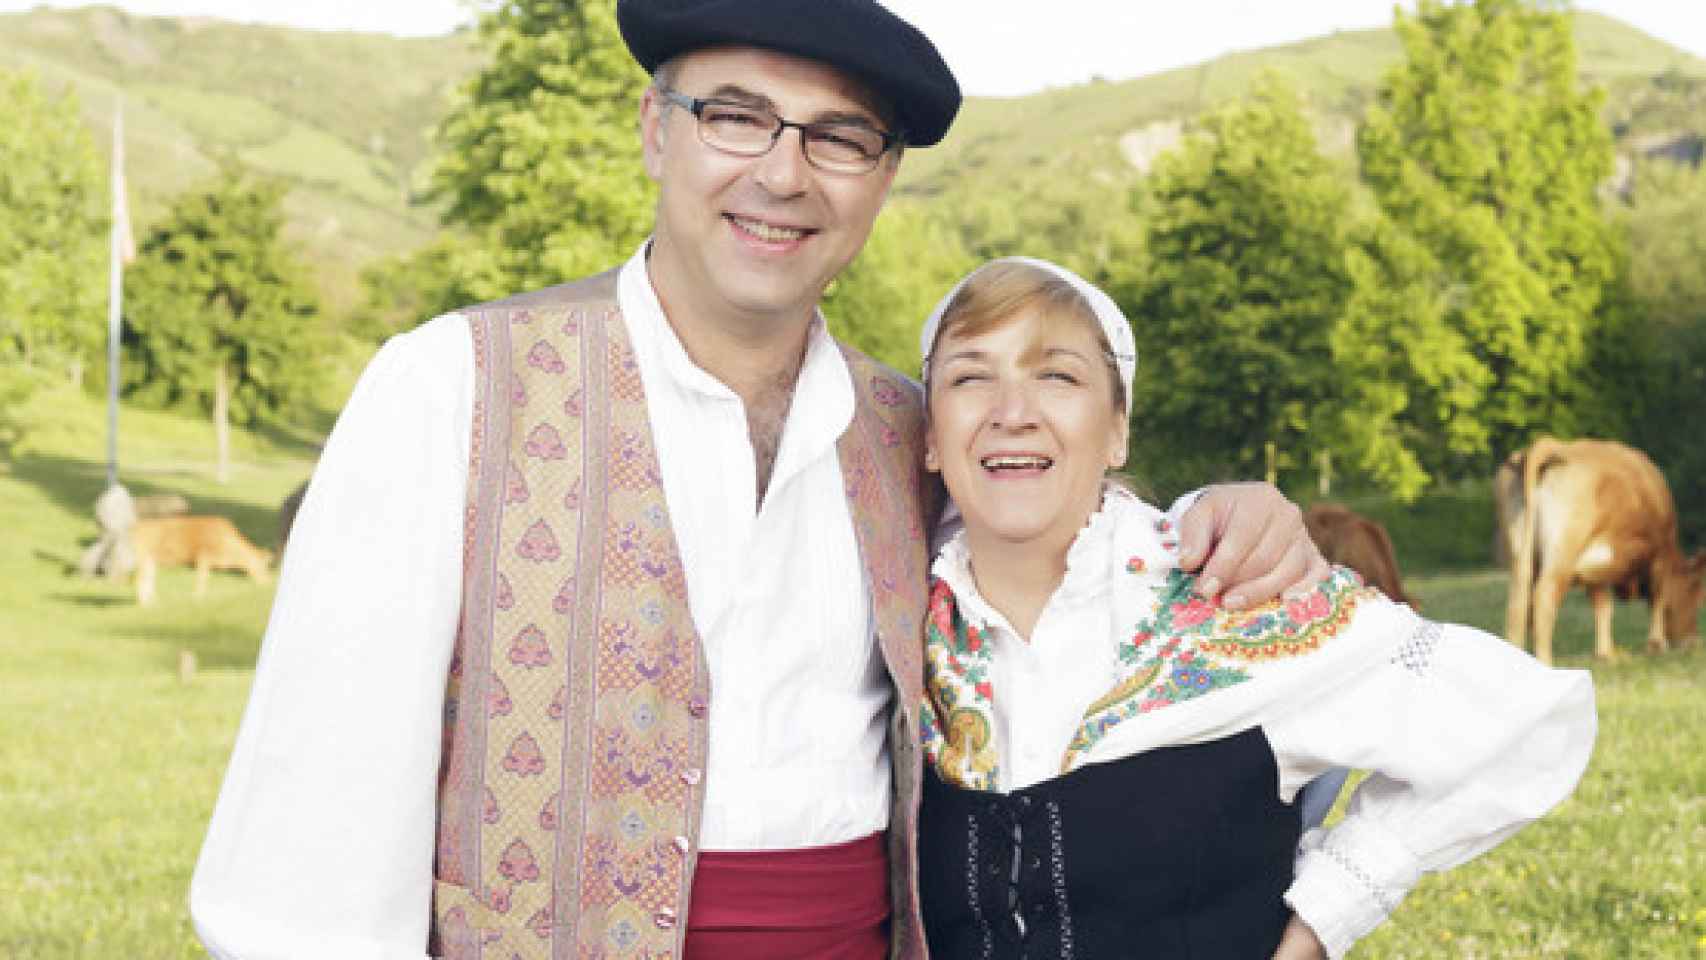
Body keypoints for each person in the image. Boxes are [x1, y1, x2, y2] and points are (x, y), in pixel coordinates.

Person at [187, 4, 1332, 958]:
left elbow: (1079, 552)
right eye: (733, 116)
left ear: (880, 181)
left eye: (838, 137)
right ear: (654, 132)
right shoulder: (452, 386)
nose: (781, 174)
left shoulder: (911, 427)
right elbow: (311, 835)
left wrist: (1227, 520)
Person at [912, 257, 1597, 959]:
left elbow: (1531, 727)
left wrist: (1325, 918)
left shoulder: (1240, 597)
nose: (1013, 412)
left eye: (1057, 375)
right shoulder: (899, 625)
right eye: (970, 376)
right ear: (931, 435)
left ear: (1118, 429)